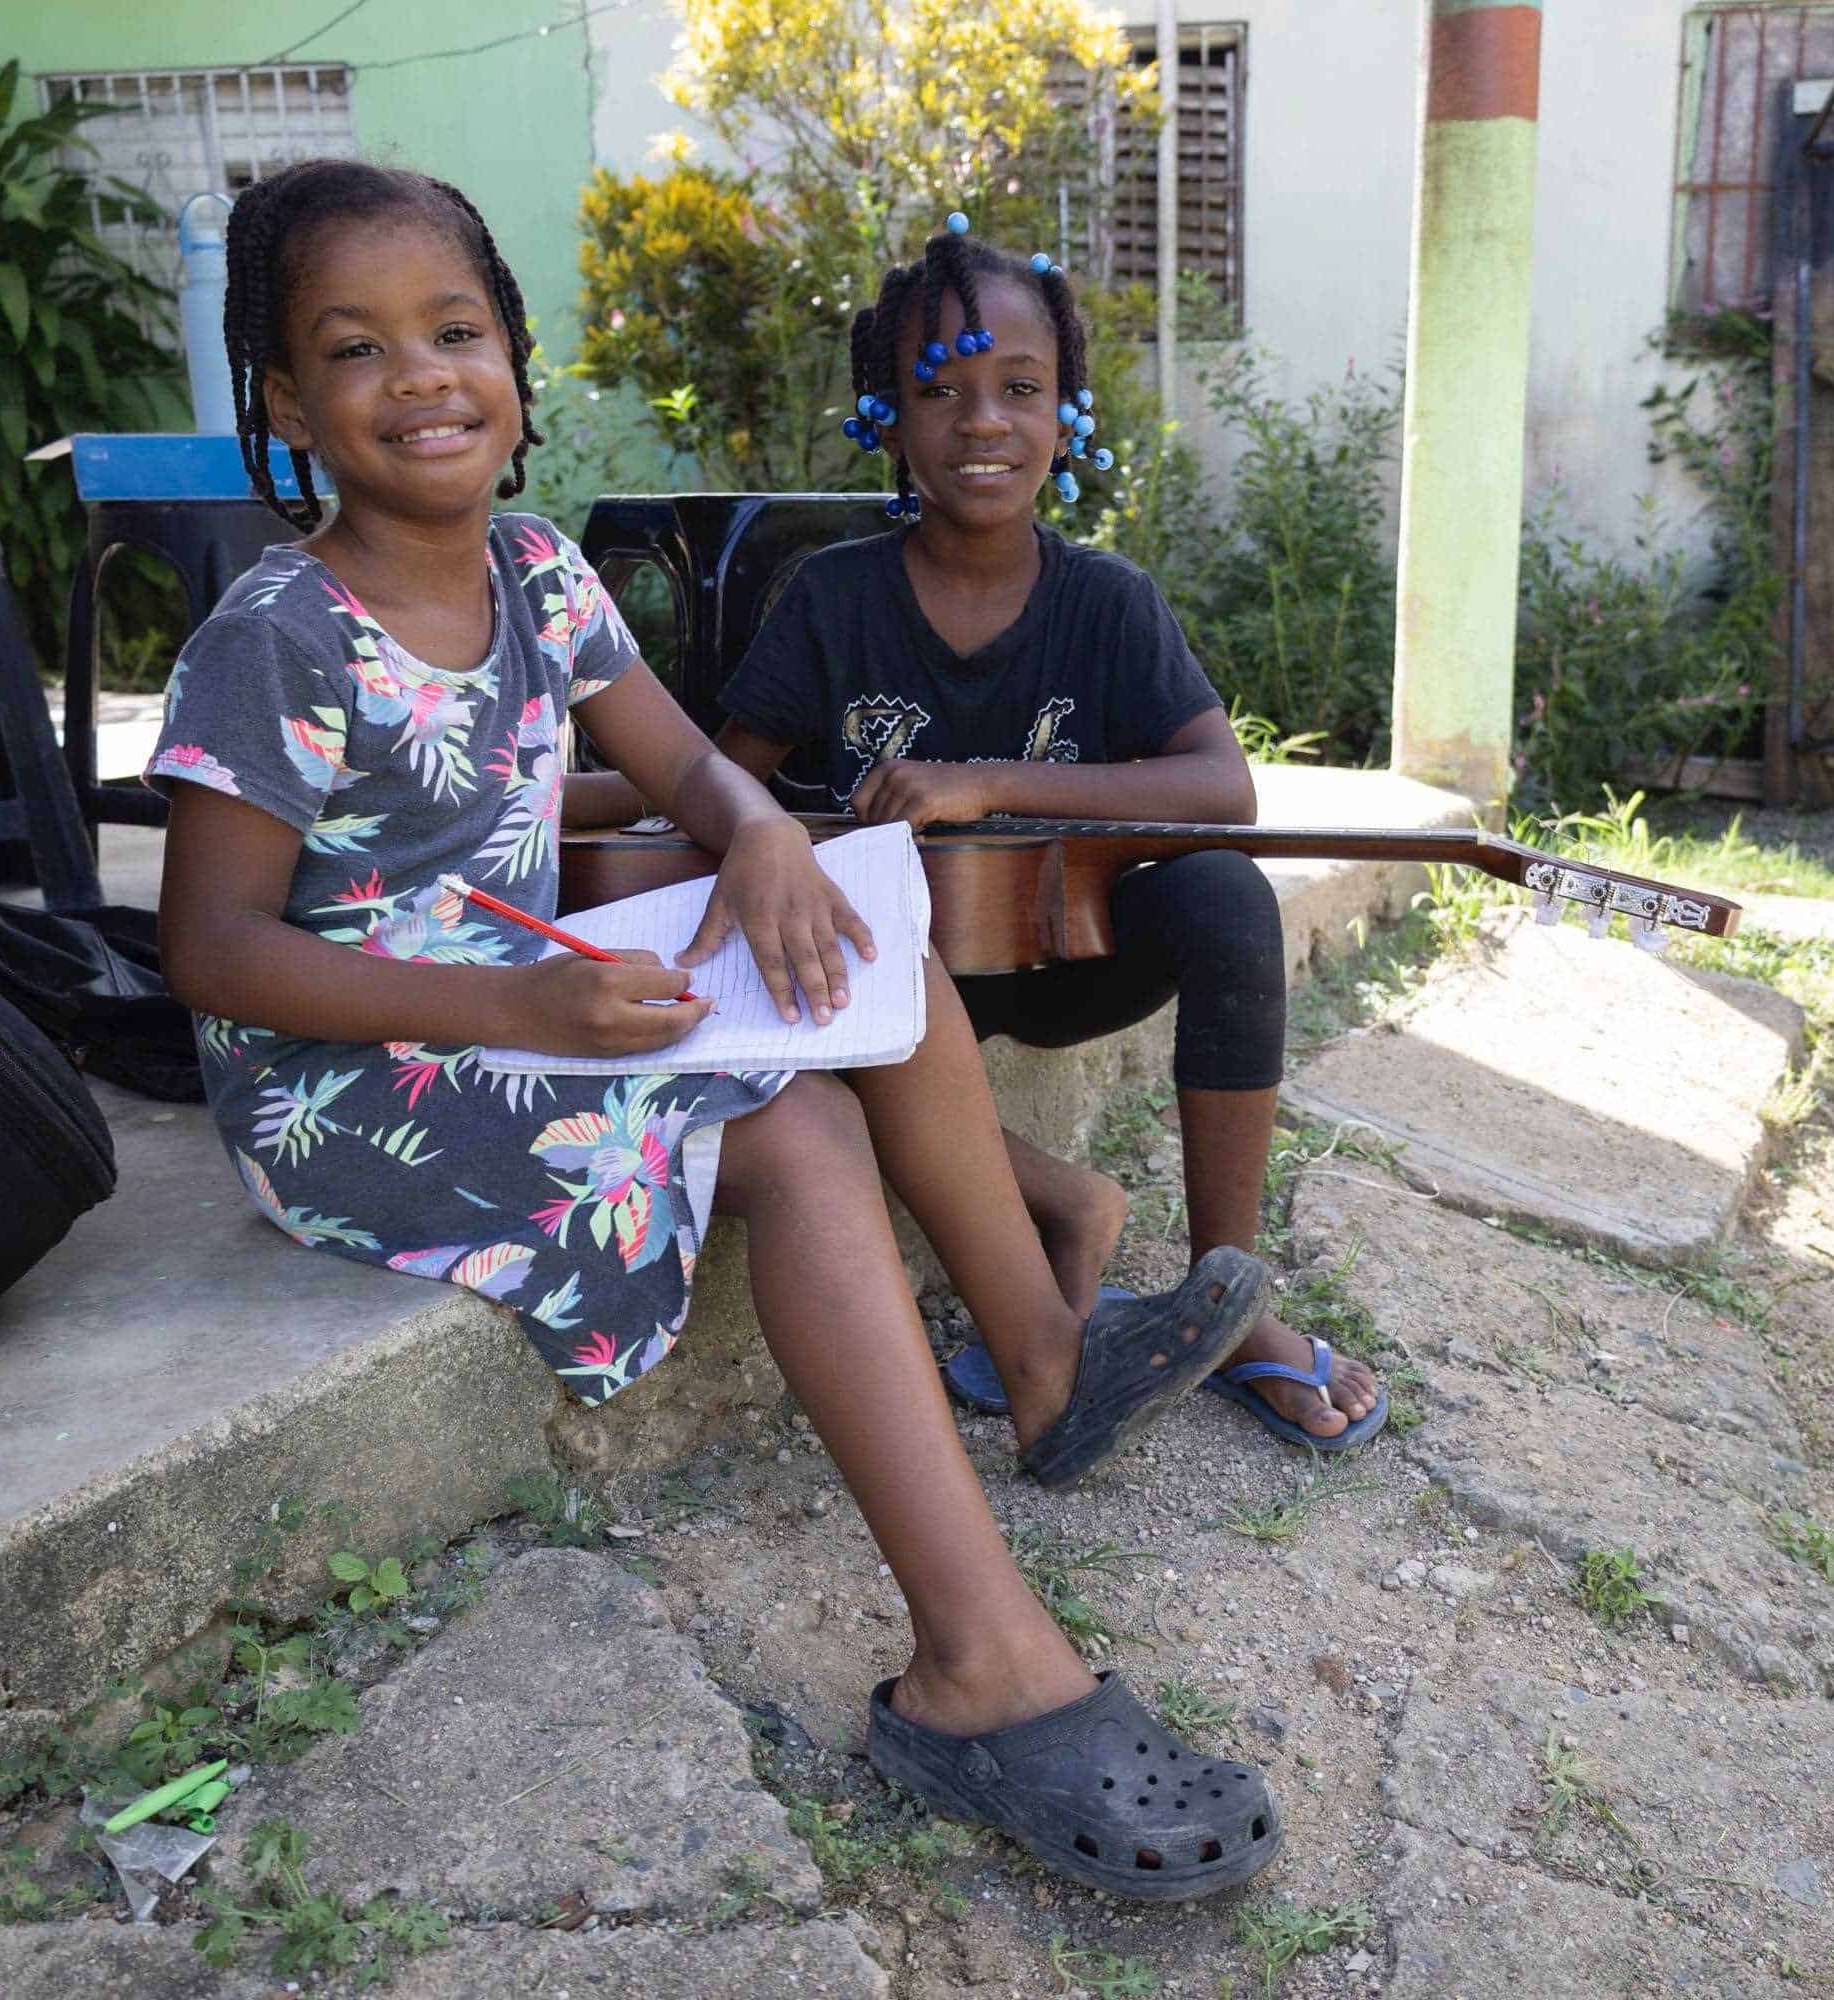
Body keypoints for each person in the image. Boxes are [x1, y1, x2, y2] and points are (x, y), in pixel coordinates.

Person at [146, 159, 1282, 1900]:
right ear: (288, 403)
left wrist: (762, 842)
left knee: (852, 954)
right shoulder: (277, 632)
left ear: (514, 355)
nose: (422, 378)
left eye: (455, 331)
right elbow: (213, 950)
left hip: (528, 990)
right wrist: (513, 1003)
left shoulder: (536, 569)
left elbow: (683, 763)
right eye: (356, 350)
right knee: (804, 1125)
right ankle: (984, 1659)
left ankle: (1043, 1376)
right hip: (358, 1072)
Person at [701, 222, 1384, 1452]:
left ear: (1066, 414)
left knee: (1227, 895)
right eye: (939, 390)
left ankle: (1227, 1300)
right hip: (894, 995)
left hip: (1071, 963)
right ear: (885, 419)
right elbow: (718, 788)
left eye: (1019, 387)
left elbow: (1224, 788)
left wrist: (980, 779)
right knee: (766, 964)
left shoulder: (1107, 601)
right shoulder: (832, 597)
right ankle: (1069, 1203)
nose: (982, 422)